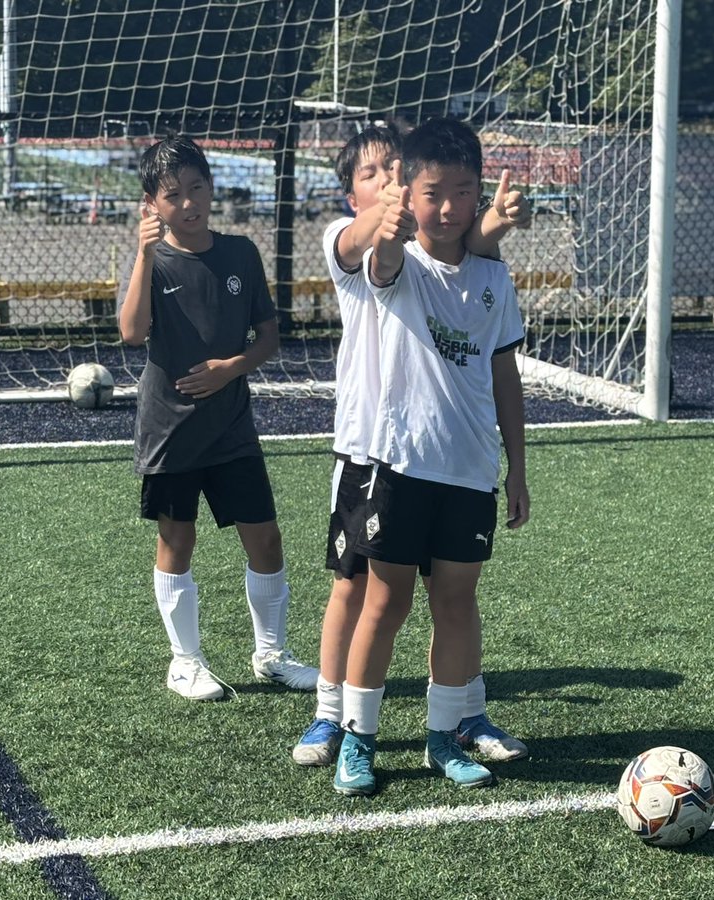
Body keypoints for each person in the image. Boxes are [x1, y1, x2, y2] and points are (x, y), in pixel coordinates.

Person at [292, 124, 533, 768]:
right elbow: (386, 257)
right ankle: (340, 723)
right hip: (379, 458)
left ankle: (450, 726)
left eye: (464, 191)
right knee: (367, 591)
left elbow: (500, 362)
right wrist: (392, 224)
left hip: (470, 467)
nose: (446, 204)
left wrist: (517, 466)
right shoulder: (375, 252)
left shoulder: (488, 273)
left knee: (455, 600)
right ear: (356, 192)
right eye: (376, 176)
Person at [119, 136, 318, 700]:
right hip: (171, 431)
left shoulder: (240, 254)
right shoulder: (153, 261)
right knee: (177, 542)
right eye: (173, 194)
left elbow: (269, 337)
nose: (188, 202)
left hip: (233, 428)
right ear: (151, 205)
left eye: (197, 187)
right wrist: (141, 254)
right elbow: (132, 333)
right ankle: (185, 662)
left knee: (267, 539)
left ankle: (272, 656)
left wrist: (233, 367)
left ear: (212, 187)